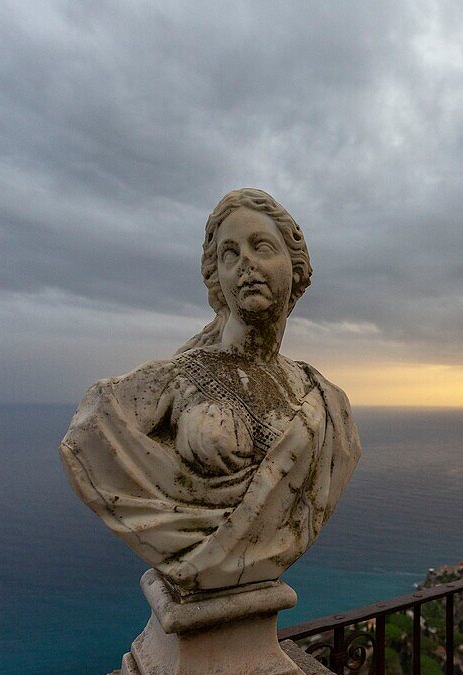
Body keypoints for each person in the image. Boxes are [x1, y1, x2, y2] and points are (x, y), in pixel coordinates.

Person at [60, 189, 361, 592]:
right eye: (229, 254)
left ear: (296, 267)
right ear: (217, 277)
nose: (246, 264)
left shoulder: (327, 404)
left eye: (261, 246)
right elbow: (87, 436)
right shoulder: (179, 378)